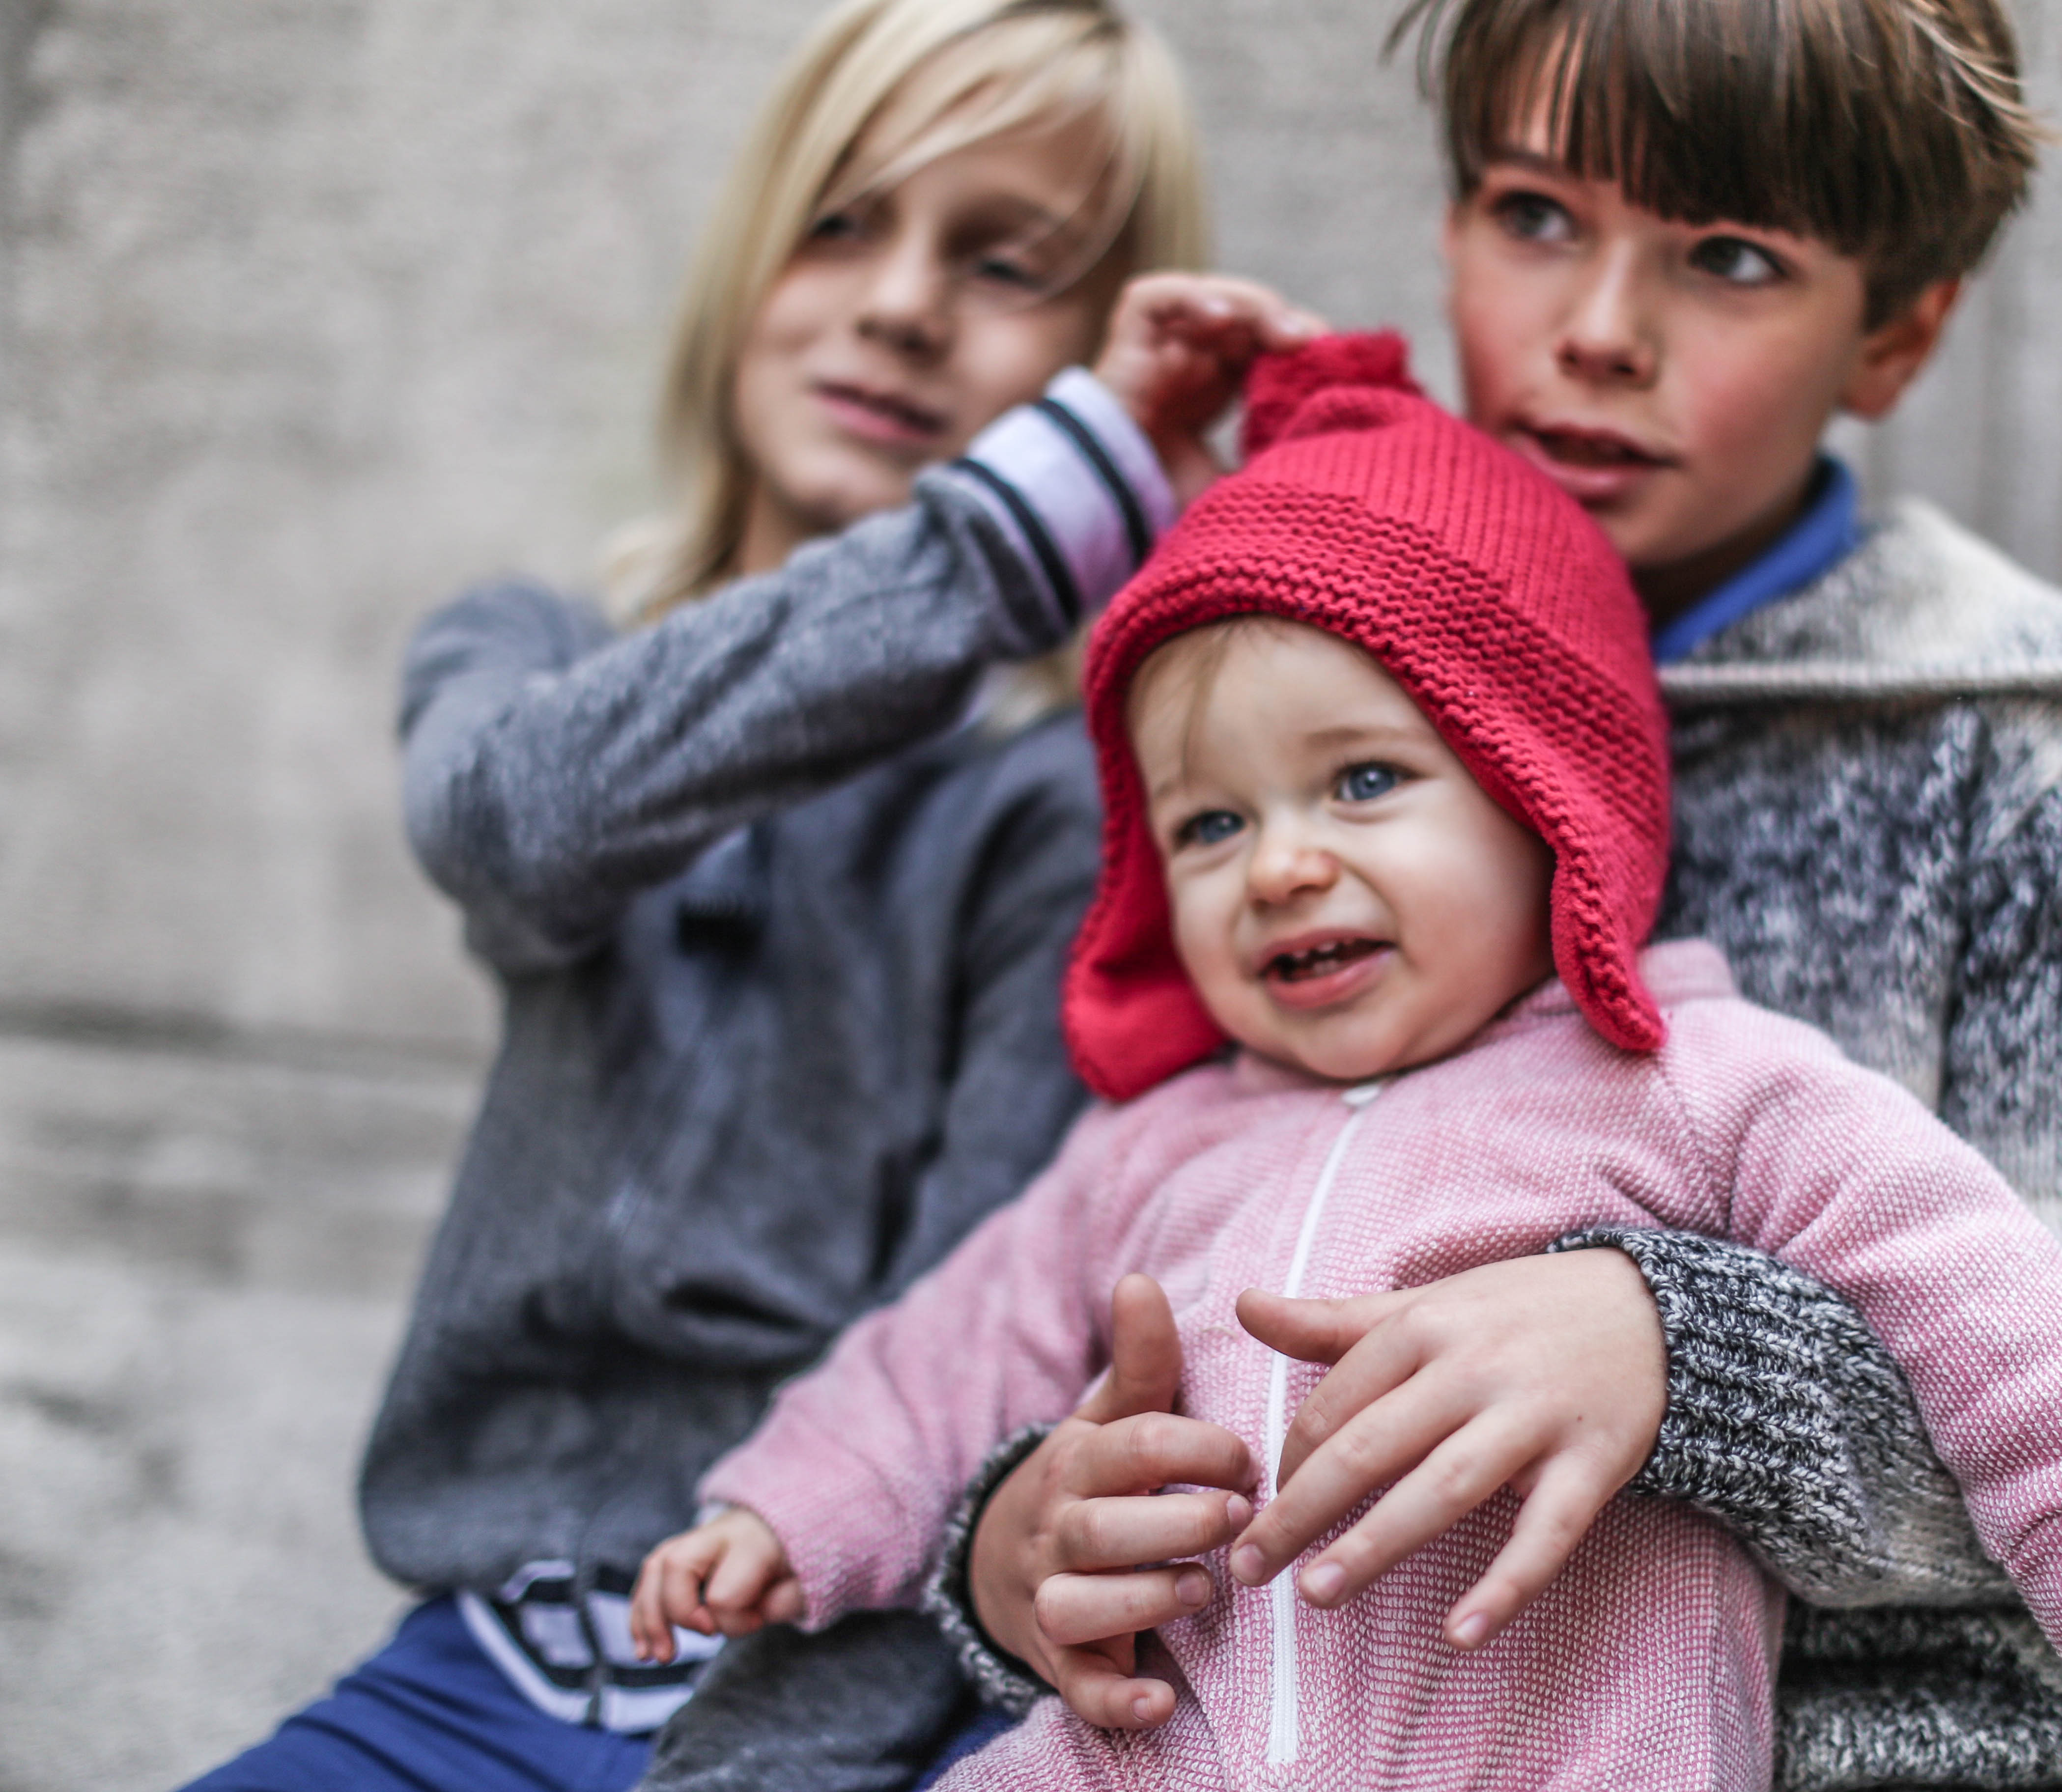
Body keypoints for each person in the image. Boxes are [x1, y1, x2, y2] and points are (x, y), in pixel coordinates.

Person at [628, 343, 2062, 1791]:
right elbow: (940, 1357)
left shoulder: (1697, 1077)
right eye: (1209, 826)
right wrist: (787, 1508)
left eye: (1364, 781)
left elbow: (1986, 1305)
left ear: (1540, 795)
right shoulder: (1152, 1144)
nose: (1282, 866)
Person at [178, 4, 1319, 1789]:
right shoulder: (537, 655)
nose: (903, 303)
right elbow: (516, 835)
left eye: (1003, 261)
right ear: (744, 262)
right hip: (473, 1661)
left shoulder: (1068, 814)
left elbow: (980, 1364)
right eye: (843, 220)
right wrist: (1000, 538)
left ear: (1103, 365)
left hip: (808, 1701)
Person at [949, 1, 2062, 1786]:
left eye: (1728, 257)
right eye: (1538, 217)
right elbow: (1076, 1286)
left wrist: (1682, 1352)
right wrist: (1017, 1547)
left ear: (1901, 333)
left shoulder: (2009, 767)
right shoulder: (1255, 682)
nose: (1599, 335)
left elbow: (2036, 1410)